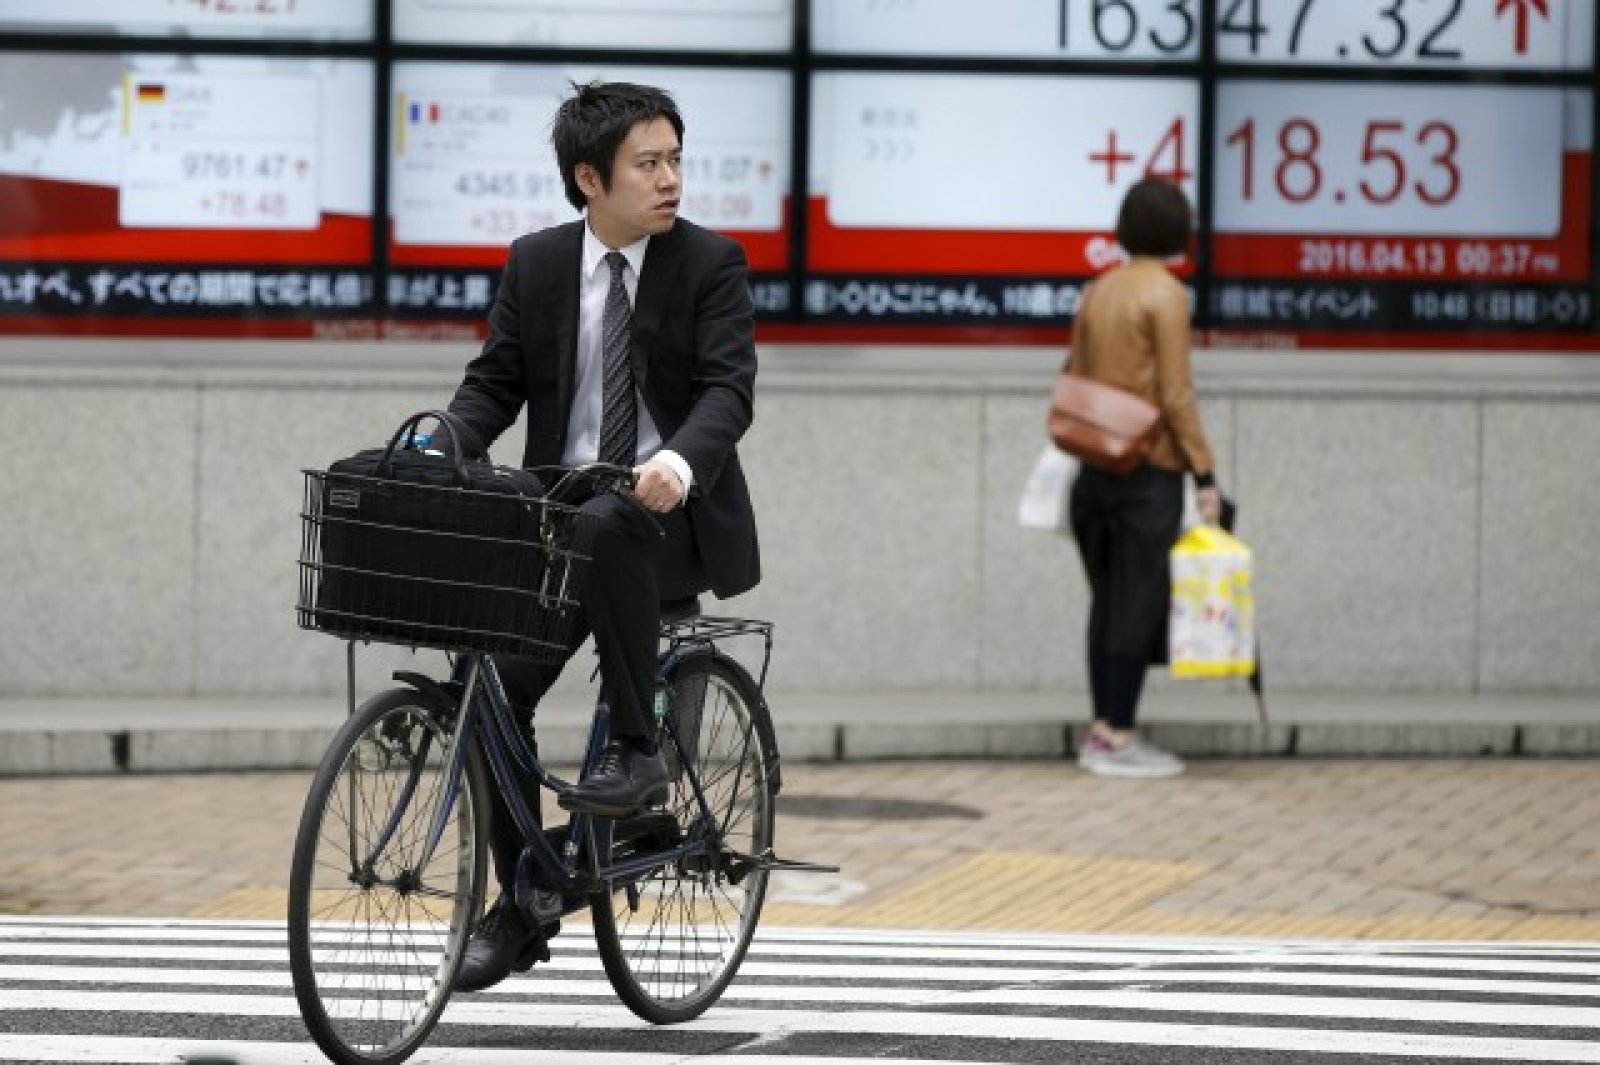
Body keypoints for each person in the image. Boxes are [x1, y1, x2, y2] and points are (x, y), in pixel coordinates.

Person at [440, 80, 761, 990]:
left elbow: (728, 390)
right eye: (647, 164)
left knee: (614, 515)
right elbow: (494, 384)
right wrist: (440, 441)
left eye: (675, 160)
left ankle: (637, 751)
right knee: (485, 688)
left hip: (666, 520)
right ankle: (528, 894)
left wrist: (680, 462)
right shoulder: (538, 263)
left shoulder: (709, 263)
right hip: (562, 521)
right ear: (590, 179)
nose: (670, 180)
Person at [1066, 177, 1221, 779]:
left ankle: (1101, 729)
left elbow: (1074, 371)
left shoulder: (1098, 289)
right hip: (1148, 467)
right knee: (1138, 602)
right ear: (1179, 230)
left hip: (1095, 461)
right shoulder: (1167, 295)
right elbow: (1176, 394)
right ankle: (1117, 734)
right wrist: (1204, 471)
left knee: (1107, 601)